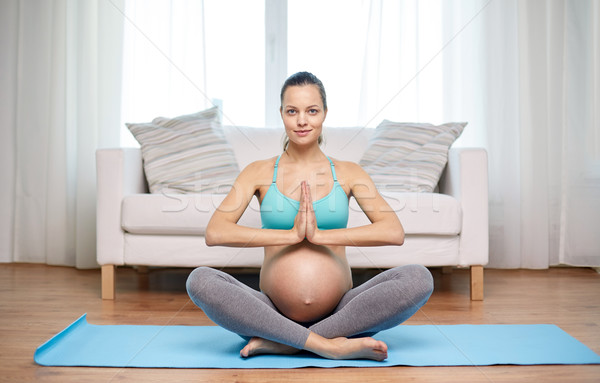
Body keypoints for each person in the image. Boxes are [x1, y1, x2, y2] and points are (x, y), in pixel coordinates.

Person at [186, 71, 433, 361]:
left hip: (343, 312)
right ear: (281, 114)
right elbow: (215, 232)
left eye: (311, 111)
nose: (302, 120)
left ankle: (286, 342)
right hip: (269, 312)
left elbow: (393, 231)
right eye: (293, 111)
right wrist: (290, 235)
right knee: (199, 280)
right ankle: (327, 345)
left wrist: (320, 236)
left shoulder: (349, 172)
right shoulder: (258, 171)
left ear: (324, 114)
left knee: (419, 278)